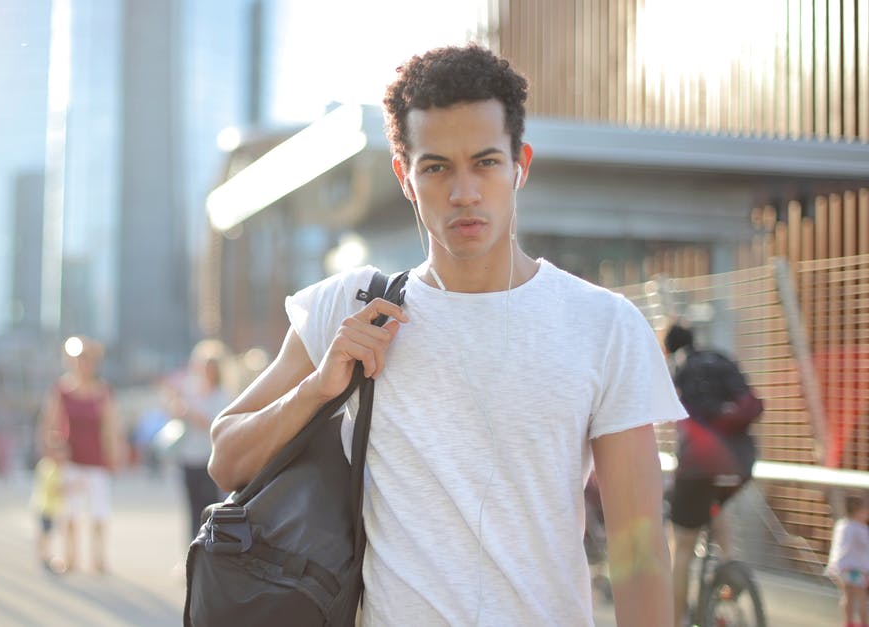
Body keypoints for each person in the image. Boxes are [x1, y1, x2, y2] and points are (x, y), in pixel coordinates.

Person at [208, 44, 684, 626]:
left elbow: (640, 554)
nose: (464, 193)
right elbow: (226, 458)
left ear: (521, 165)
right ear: (404, 176)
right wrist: (317, 387)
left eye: (485, 162)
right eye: (436, 167)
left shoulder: (604, 326)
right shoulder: (351, 307)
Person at [663, 322, 762, 626]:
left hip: (698, 467)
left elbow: (674, 418)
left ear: (669, 348)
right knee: (715, 502)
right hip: (741, 463)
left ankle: (675, 620)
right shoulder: (720, 359)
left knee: (681, 547)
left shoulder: (681, 370)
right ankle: (730, 568)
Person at [39, 336, 125, 574]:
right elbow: (49, 424)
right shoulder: (61, 390)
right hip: (71, 460)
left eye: (87, 359)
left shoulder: (103, 392)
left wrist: (114, 456)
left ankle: (99, 559)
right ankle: (71, 557)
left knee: (99, 512)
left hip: (97, 460)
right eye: (79, 359)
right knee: (70, 513)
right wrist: (52, 449)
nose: (83, 364)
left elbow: (111, 426)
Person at [171, 340, 234, 537]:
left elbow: (215, 425)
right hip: (188, 457)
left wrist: (190, 412)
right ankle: (190, 555)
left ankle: (208, 553)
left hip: (209, 460)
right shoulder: (191, 391)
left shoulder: (223, 396)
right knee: (192, 510)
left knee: (209, 510)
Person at [827, 494, 869, 627]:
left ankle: (848, 621)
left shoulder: (842, 525)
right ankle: (863, 623)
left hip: (843, 567)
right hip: (857, 569)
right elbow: (864, 547)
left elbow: (838, 547)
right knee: (861, 597)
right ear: (858, 511)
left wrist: (834, 565)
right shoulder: (860, 528)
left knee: (847, 596)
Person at [30, 455, 64, 572]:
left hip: (41, 506)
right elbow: (55, 489)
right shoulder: (52, 468)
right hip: (46, 508)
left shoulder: (44, 464)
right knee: (46, 534)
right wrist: (76, 487)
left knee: (44, 533)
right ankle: (44, 557)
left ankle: (42, 556)